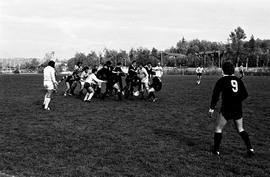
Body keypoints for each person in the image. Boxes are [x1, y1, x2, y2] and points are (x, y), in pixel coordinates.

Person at [208, 61, 254, 157]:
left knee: (218, 128)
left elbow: (215, 95)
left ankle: (216, 151)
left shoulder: (221, 80)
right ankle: (250, 148)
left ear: (223, 70)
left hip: (226, 108)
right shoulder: (238, 80)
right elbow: (245, 94)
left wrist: (212, 108)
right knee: (240, 129)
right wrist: (236, 100)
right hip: (237, 108)